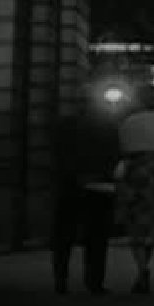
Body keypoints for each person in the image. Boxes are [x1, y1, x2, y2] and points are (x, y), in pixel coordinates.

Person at [51, 93, 121, 295]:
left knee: (64, 235)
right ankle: (94, 281)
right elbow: (114, 154)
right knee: (97, 237)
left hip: (70, 184)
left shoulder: (65, 125)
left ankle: (61, 279)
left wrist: (70, 174)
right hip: (99, 186)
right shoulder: (107, 126)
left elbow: (58, 152)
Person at [115, 85, 154, 294]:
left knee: (136, 225)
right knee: (152, 225)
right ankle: (144, 267)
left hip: (137, 171)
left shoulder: (129, 123)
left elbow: (123, 148)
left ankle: (142, 269)